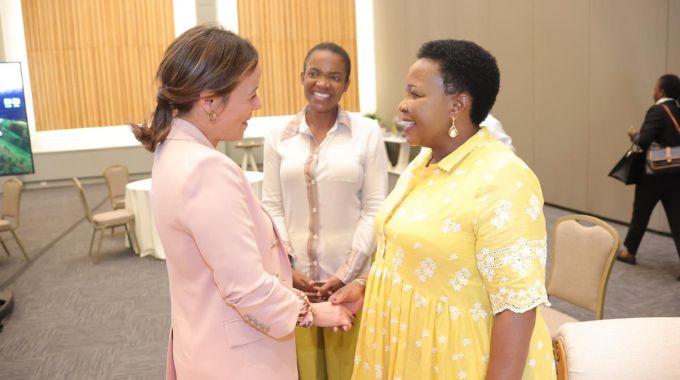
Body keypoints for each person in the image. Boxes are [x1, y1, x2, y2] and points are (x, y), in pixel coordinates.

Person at [131, 26, 354, 380]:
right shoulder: (206, 168)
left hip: (203, 339)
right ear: (210, 101)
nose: (258, 105)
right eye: (251, 95)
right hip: (236, 360)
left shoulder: (172, 150)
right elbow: (244, 285)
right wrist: (312, 312)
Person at [332, 39, 556, 379]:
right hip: (408, 342)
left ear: (457, 104)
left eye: (416, 94)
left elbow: (518, 305)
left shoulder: (503, 179)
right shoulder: (424, 162)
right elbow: (409, 245)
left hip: (458, 357)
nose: (403, 105)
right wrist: (366, 283)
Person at [262, 42, 388, 380]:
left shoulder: (366, 133)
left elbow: (375, 206)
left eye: (335, 77)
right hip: (295, 283)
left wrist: (347, 272)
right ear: (302, 77)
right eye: (315, 74)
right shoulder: (278, 136)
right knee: (302, 370)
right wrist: (289, 264)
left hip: (349, 284)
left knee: (350, 368)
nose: (323, 84)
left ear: (347, 84)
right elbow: (271, 204)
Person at [616, 74, 680, 279]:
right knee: (677, 217)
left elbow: (644, 141)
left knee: (641, 213)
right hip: (676, 174)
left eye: (655, 88)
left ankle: (629, 252)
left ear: (661, 91)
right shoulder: (678, 111)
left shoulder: (657, 111)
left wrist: (633, 134)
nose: (653, 91)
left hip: (654, 175)